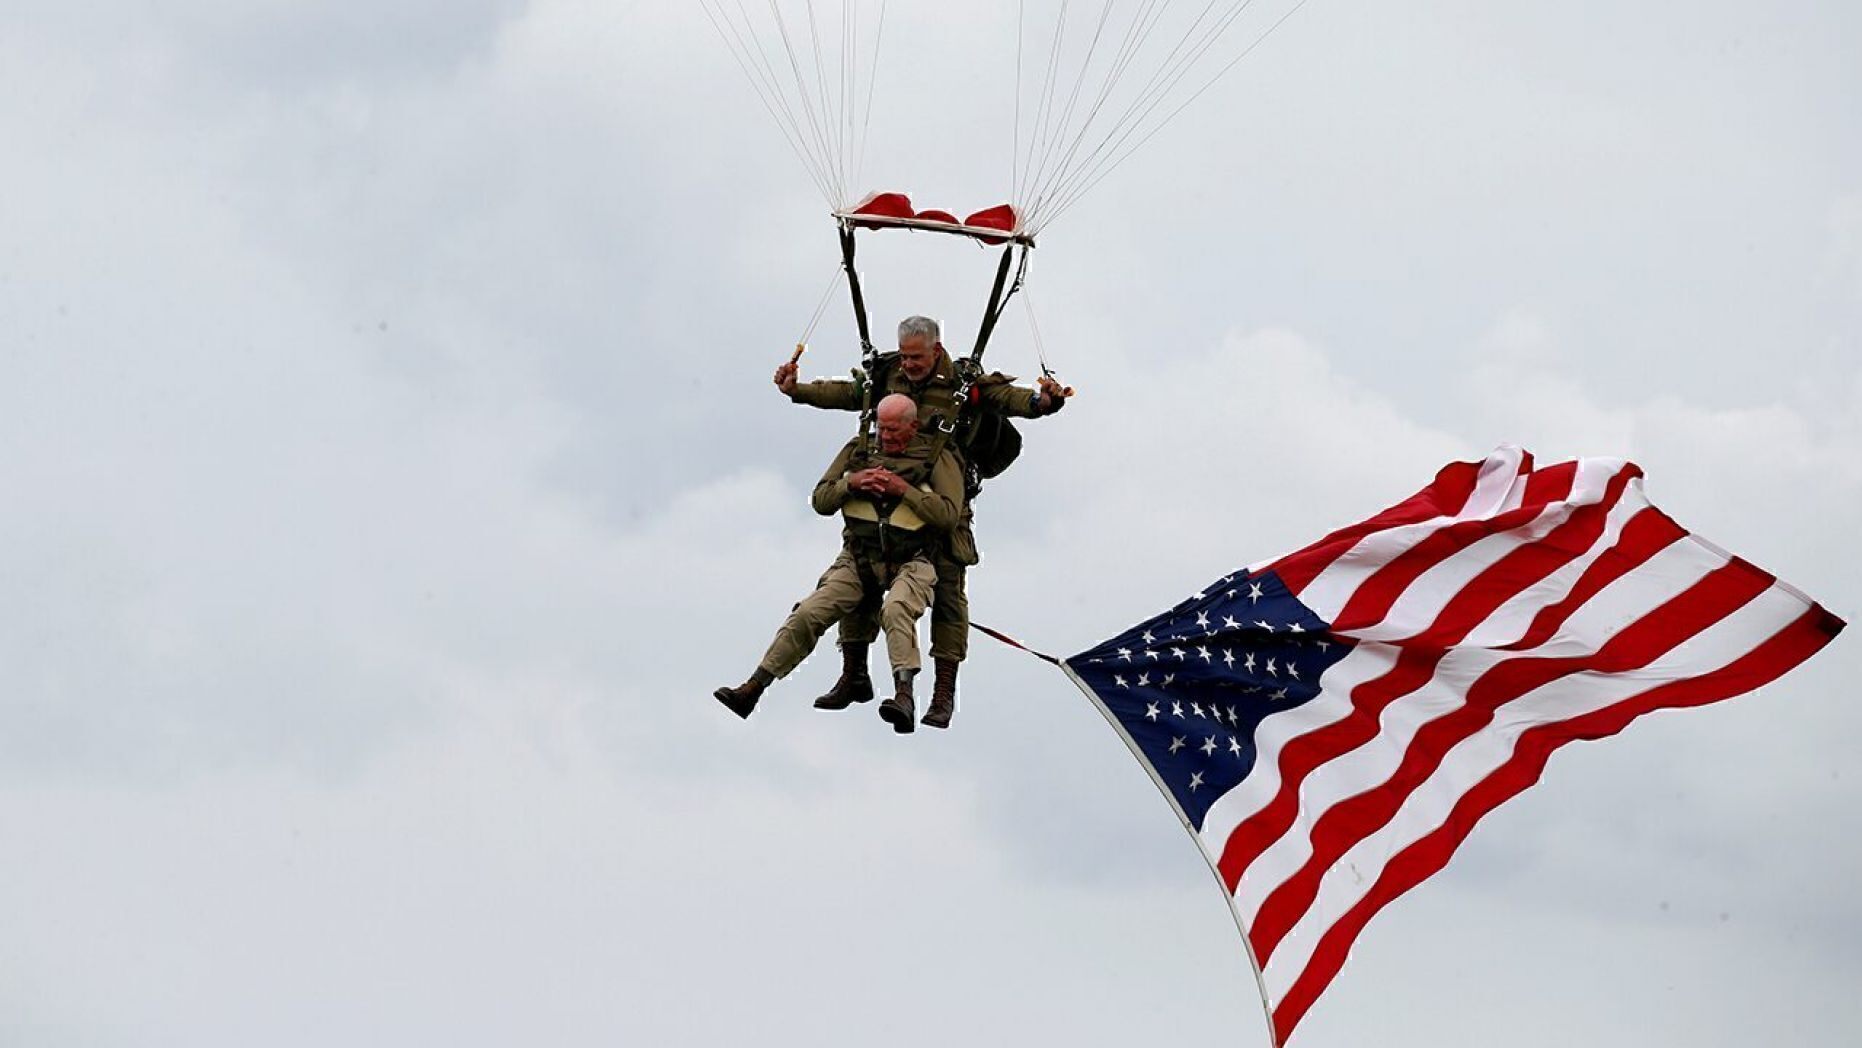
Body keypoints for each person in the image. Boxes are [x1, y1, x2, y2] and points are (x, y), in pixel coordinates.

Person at [772, 315, 1068, 729]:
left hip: (942, 502)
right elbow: (848, 392)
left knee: (948, 596)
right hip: (887, 505)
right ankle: (853, 675)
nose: (909, 364)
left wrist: (1043, 403)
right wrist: (797, 391)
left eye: (917, 357)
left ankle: (943, 694)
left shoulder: (964, 383)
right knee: (861, 570)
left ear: (937, 349)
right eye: (906, 356)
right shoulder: (888, 373)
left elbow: (1013, 400)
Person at [714, 394, 964, 734]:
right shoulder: (859, 450)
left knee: (896, 609)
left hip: (914, 559)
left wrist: (903, 489)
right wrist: (853, 483)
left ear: (913, 426)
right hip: (860, 556)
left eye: (894, 430)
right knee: (808, 612)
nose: (886, 437)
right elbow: (821, 499)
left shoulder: (938, 456)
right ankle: (754, 688)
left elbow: (948, 516)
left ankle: (904, 695)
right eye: (882, 428)